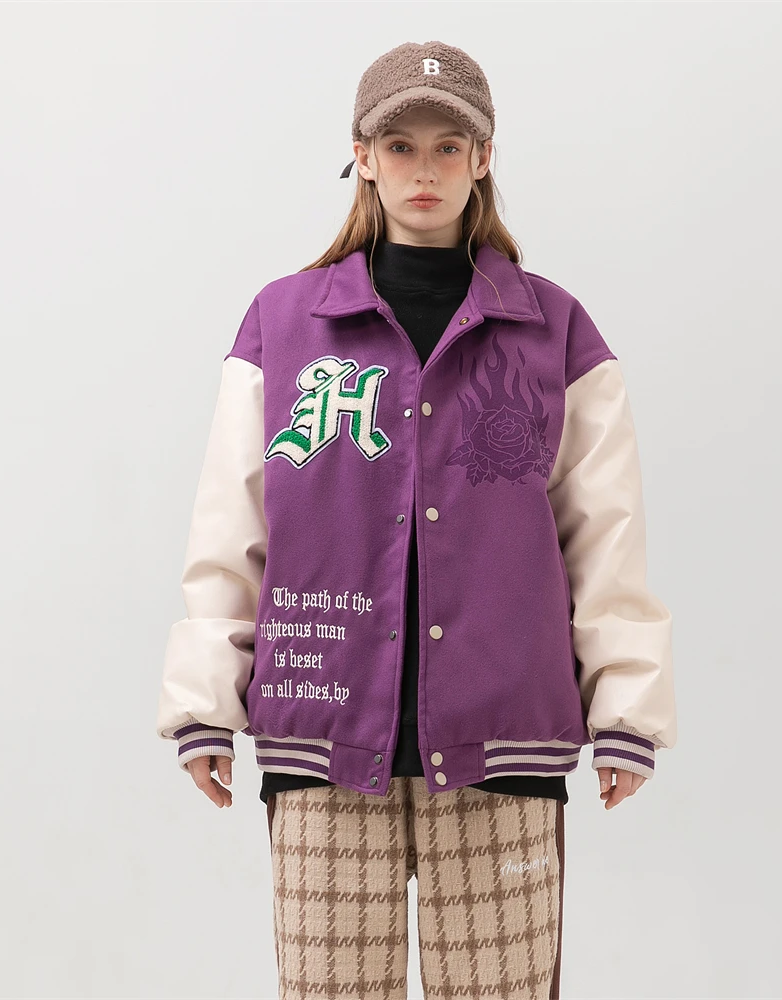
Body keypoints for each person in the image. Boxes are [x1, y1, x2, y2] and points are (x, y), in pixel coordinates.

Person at [155, 40, 677, 1000]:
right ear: (362, 155)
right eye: (401, 145)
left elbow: (605, 535)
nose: (424, 169)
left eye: (448, 146)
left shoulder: (555, 333)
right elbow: (232, 522)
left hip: (502, 746)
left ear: (484, 157)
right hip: (323, 736)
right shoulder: (283, 324)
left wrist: (626, 708)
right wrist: (203, 702)